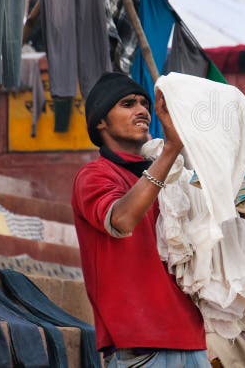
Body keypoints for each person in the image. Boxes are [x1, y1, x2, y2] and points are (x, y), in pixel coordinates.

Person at [72, 72, 210, 367]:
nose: (142, 110)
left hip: (195, 341)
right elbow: (121, 220)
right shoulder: (95, 175)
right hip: (142, 349)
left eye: (144, 103)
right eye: (127, 103)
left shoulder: (175, 179)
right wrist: (171, 149)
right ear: (100, 121)